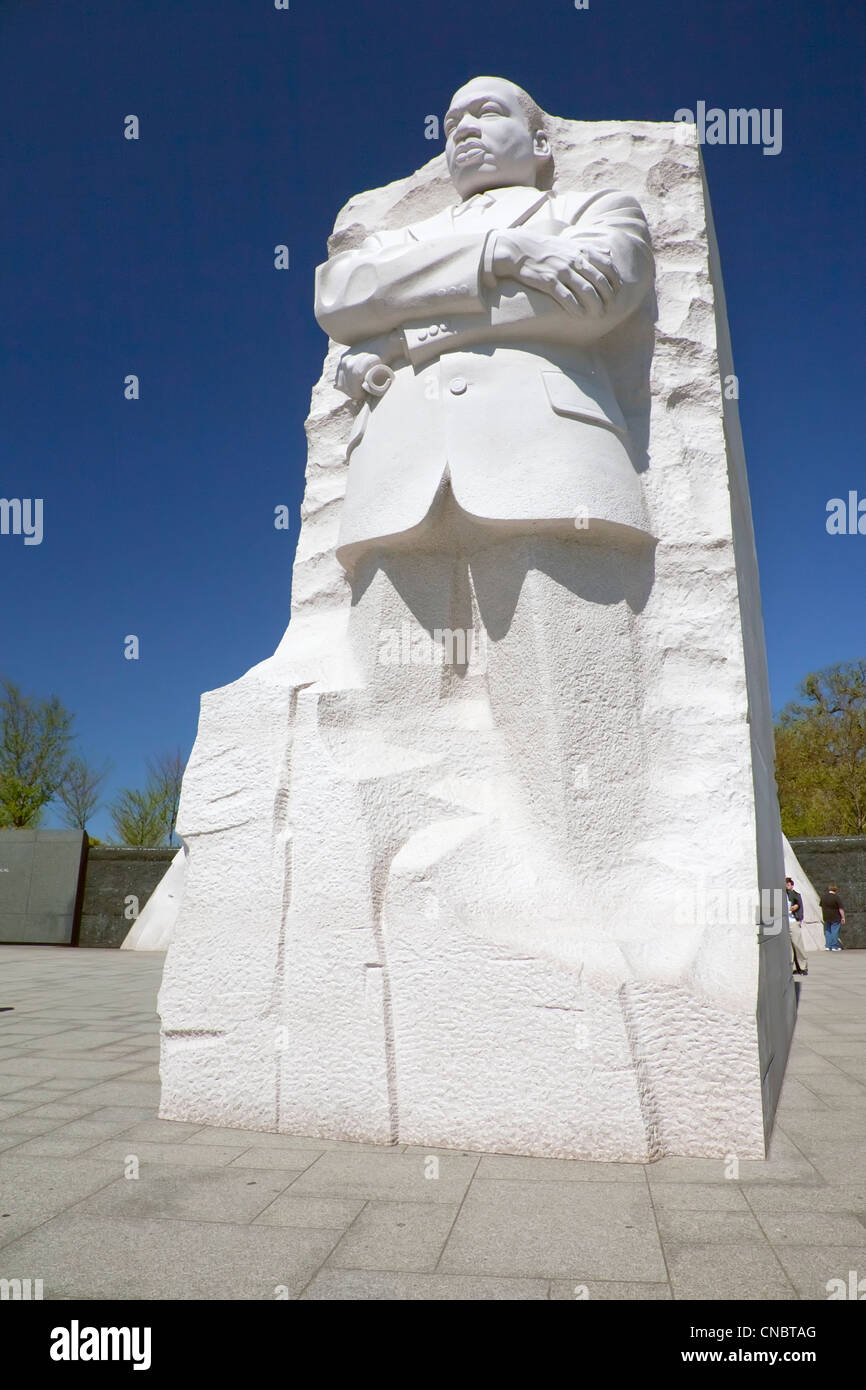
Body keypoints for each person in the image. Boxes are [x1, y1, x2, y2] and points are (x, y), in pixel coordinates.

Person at [785, 876, 808, 975]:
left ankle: (802, 966)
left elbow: (800, 907)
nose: (786, 886)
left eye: (788, 884)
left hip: (793, 921)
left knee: (798, 945)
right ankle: (793, 967)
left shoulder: (795, 895)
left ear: (792, 885)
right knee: (789, 947)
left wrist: (799, 919)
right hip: (784, 923)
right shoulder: (780, 895)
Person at [819, 884, 845, 951]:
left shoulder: (823, 897)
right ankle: (834, 946)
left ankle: (828, 946)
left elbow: (821, 905)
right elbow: (840, 908)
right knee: (834, 931)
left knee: (827, 931)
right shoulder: (836, 897)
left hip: (826, 916)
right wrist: (843, 917)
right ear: (835, 890)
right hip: (835, 917)